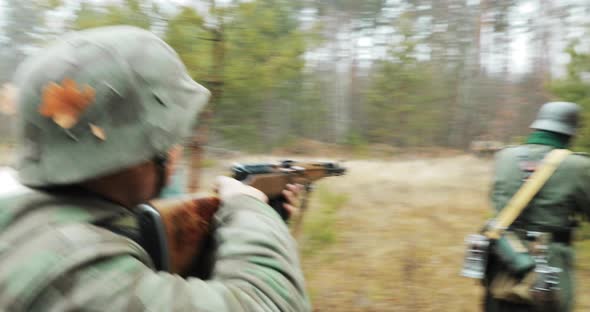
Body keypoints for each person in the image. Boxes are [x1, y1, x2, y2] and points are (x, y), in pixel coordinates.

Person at [0, 25, 311, 312]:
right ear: (143, 151)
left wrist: (229, 238)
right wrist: (251, 212)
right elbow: (268, 303)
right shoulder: (78, 273)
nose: (178, 148)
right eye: (174, 135)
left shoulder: (20, 224)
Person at [484, 101, 590, 312]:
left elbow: (496, 199)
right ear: (571, 133)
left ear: (537, 126)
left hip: (502, 262)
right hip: (548, 269)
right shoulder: (578, 166)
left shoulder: (505, 156)